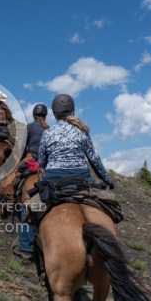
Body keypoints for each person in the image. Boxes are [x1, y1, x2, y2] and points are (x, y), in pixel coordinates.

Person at [38, 94, 114, 188]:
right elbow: (94, 159)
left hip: (53, 176)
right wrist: (107, 180)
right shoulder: (82, 131)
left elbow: (41, 161)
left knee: (31, 200)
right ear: (72, 112)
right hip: (82, 176)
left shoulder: (47, 133)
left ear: (54, 113)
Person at [15, 104, 49, 261]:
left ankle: (25, 246)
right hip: (47, 164)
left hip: (32, 158)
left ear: (34, 114)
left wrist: (22, 159)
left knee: (14, 178)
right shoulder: (49, 129)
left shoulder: (29, 127)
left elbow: (22, 146)